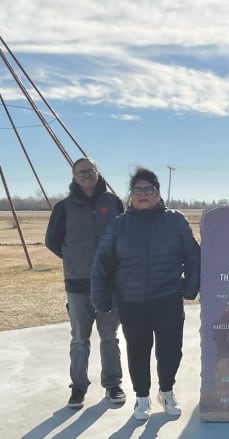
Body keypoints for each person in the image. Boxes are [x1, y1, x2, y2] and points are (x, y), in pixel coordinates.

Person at [91, 167, 201, 420]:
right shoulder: (119, 225)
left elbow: (193, 255)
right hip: (132, 302)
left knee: (170, 350)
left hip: (168, 299)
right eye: (138, 190)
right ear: (131, 195)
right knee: (138, 350)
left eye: (148, 189)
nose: (143, 194)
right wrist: (100, 296)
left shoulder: (175, 220)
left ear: (157, 194)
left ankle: (167, 392)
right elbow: (102, 261)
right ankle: (142, 397)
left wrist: (190, 286)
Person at [45, 157, 126, 409]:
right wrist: (74, 258)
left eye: (90, 170)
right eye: (81, 172)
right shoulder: (64, 208)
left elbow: (125, 237)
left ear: (97, 172)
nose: (86, 175)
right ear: (73, 175)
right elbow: (52, 241)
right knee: (80, 338)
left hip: (109, 284)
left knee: (109, 337)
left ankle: (113, 384)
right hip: (77, 285)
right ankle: (78, 387)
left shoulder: (114, 203)